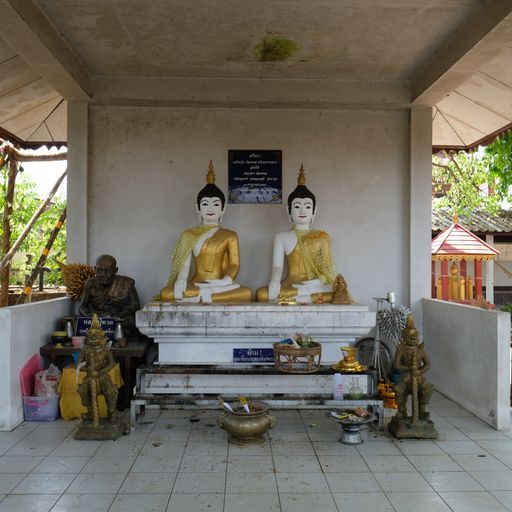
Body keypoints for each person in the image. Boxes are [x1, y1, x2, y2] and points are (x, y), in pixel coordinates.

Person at [159, 161, 252, 303]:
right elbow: (184, 266)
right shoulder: (189, 234)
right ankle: (204, 296)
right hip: (196, 284)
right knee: (166, 293)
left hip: (221, 285)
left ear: (223, 208)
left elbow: (235, 265)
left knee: (246, 293)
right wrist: (181, 281)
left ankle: (201, 297)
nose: (210, 208)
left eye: (215, 204)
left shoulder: (230, 235)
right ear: (198, 208)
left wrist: (226, 280)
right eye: (205, 204)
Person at [256, 165, 350, 303]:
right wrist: (274, 281)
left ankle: (293, 300)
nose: (302, 211)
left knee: (337, 292)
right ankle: (304, 299)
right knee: (262, 294)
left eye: (307, 206)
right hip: (291, 284)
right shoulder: (282, 237)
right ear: (289, 210)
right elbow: (277, 267)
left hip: (315, 286)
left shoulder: (321, 237)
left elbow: (327, 270)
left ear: (314, 211)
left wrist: (317, 282)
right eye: (297, 206)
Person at [79, 254, 141, 338]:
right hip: (97, 319)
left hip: (118, 319)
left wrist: (114, 315)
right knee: (74, 322)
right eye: (100, 270)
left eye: (108, 271)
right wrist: (90, 316)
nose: (104, 274)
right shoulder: (91, 284)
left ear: (115, 270)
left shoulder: (126, 283)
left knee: (130, 322)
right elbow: (82, 307)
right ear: (95, 269)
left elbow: (135, 308)